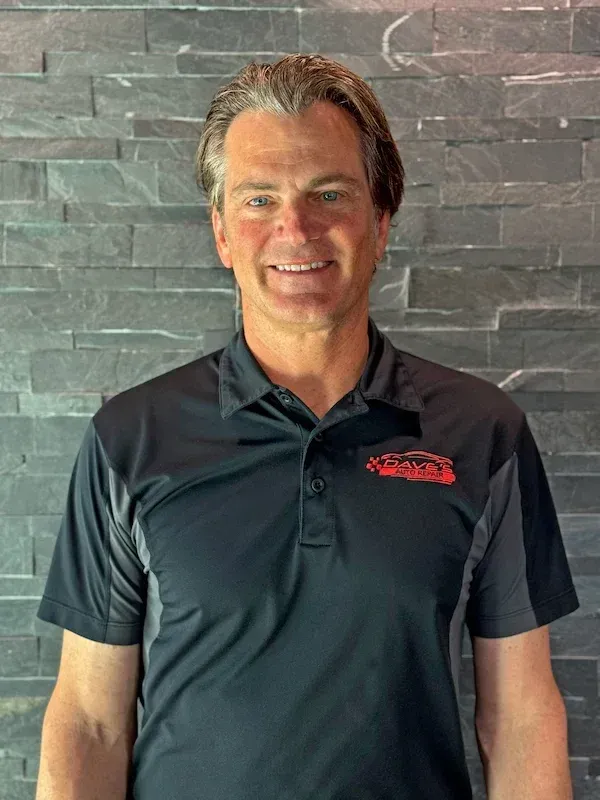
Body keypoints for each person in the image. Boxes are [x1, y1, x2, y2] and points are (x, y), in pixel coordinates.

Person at [35, 53, 579, 800]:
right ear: (222, 233)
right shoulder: (130, 438)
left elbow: (520, 719)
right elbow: (91, 723)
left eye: (330, 193)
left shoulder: (483, 434)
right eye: (260, 200)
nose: (296, 228)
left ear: (380, 224)